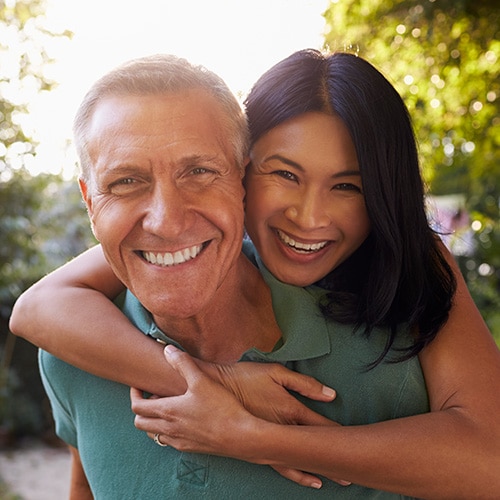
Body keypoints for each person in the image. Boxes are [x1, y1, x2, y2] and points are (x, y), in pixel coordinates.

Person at [10, 49, 500, 498]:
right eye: (285, 174)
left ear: (233, 176)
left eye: (198, 171)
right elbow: (38, 306)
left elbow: (489, 461)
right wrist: (216, 382)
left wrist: (258, 438)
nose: (309, 218)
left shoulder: (402, 306)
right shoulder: (79, 352)